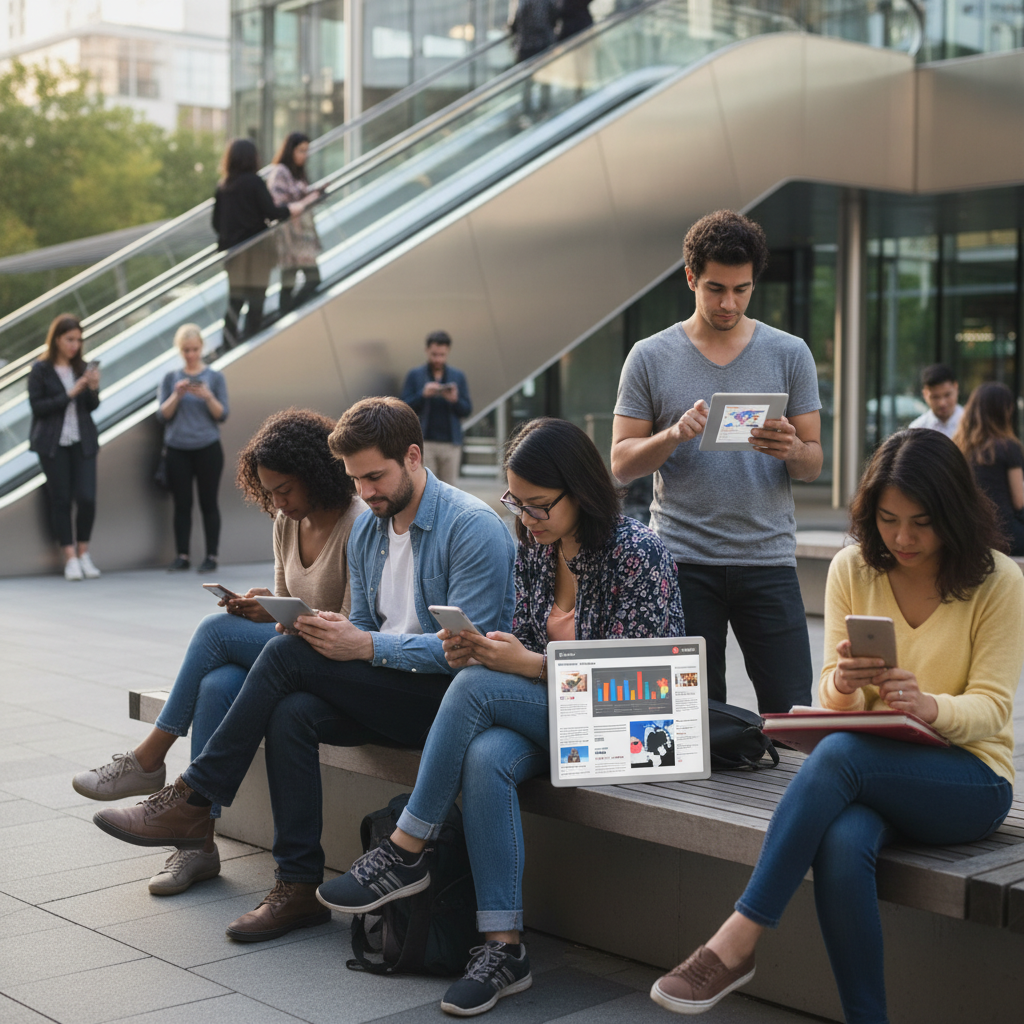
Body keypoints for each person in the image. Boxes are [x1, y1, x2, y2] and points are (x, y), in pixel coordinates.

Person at [91, 396, 516, 942]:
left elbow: (470, 655)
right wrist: (330, 633)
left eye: (375, 476)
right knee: (292, 710)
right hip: (387, 690)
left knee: (285, 656)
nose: (364, 492)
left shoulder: (470, 527)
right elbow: (362, 624)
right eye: (355, 480)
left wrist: (363, 647)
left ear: (413, 456)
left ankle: (194, 799)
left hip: (447, 703)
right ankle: (297, 888)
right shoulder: (371, 530)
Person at [649, 429, 1024, 1022]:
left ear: (953, 512)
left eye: (922, 522)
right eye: (888, 518)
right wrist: (845, 687)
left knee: (841, 754)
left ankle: (739, 937)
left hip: (971, 778)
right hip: (874, 768)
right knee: (845, 842)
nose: (902, 537)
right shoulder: (855, 566)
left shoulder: (999, 580)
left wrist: (930, 707)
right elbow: (829, 690)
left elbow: (994, 707)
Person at [318, 417, 685, 1017]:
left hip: (641, 733)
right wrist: (486, 648)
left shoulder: (637, 553)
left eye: (540, 505)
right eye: (518, 501)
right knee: (487, 753)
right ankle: (503, 947)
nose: (528, 518)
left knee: (475, 689)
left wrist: (532, 665)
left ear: (581, 491)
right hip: (564, 722)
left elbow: (653, 686)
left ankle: (407, 847)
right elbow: (519, 646)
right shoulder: (538, 551)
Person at [72, 409, 366, 895]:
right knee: (217, 682)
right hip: (290, 652)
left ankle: (148, 762)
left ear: (317, 474)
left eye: (286, 489)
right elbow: (285, 604)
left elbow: (353, 623)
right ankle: (198, 846)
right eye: (268, 491)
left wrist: (282, 617)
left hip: (333, 661)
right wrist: (262, 606)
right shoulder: (286, 522)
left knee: (213, 632)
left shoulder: (358, 524)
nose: (277, 501)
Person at [611, 209, 822, 713]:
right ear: (690, 278)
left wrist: (792, 449)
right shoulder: (649, 355)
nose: (729, 303)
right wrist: (673, 435)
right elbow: (620, 463)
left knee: (791, 712)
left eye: (741, 289)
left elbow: (813, 463)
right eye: (715, 289)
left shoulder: (789, 353)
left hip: (767, 558)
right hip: (683, 560)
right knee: (691, 717)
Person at [213, 138, 315, 348]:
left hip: (234, 254)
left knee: (235, 300)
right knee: (256, 298)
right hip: (258, 250)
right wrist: (292, 209)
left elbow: (216, 222)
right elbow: (272, 212)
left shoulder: (223, 186)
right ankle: (251, 341)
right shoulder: (254, 182)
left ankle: (228, 344)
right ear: (251, 158)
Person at [27, 313, 102, 581]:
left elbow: (92, 406)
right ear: (57, 339)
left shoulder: (81, 367)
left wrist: (92, 389)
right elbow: (38, 407)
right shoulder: (40, 370)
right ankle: (70, 557)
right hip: (52, 444)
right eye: (70, 339)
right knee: (60, 500)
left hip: (82, 442)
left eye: (78, 340)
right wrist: (69, 393)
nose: (74, 345)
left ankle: (84, 553)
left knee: (87, 498)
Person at [158, 324, 229, 574]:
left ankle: (211, 555)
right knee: (182, 504)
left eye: (195, 349)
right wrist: (177, 395)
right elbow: (162, 415)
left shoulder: (215, 377)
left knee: (209, 502)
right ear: (180, 350)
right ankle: (182, 555)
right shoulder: (171, 378)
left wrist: (207, 396)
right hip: (178, 448)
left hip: (207, 447)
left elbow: (223, 414)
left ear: (201, 348)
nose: (191, 355)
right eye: (186, 350)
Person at [953, 381, 1024, 555]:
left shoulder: (958, 448)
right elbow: (1019, 500)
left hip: (968, 533)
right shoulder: (1009, 447)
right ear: (1004, 412)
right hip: (1006, 535)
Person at [400, 331, 472, 485]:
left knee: (450, 490)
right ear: (427, 351)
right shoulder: (415, 375)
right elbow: (403, 408)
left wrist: (454, 400)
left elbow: (467, 410)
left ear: (448, 352)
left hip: (451, 443)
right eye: (434, 354)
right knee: (425, 487)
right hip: (424, 442)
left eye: (442, 355)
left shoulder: (457, 376)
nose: (438, 359)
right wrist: (423, 394)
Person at [267, 132, 323, 315]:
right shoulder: (280, 172)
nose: (304, 155)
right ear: (290, 150)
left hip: (301, 236)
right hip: (290, 236)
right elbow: (279, 207)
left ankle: (287, 313)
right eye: (301, 150)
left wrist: (314, 193)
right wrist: (309, 199)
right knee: (306, 279)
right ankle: (287, 314)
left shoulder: (297, 173)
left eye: (306, 151)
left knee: (290, 282)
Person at [907, 363, 963, 437]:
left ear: (956, 387)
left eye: (947, 395)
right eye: (935, 397)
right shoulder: (917, 430)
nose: (942, 403)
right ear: (925, 394)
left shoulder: (974, 424)